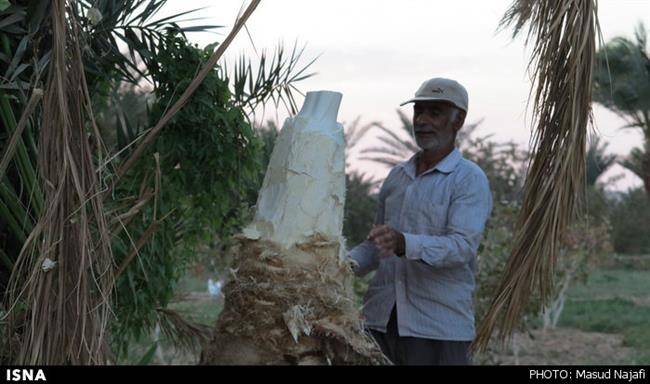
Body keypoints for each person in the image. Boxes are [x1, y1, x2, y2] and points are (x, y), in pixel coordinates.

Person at [348, 77, 493, 365]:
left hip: (437, 328)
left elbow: (462, 247)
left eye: (435, 112)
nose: (423, 121)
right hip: (380, 322)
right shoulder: (396, 178)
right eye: (419, 112)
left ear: (458, 120)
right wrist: (335, 265)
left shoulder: (468, 179)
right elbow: (377, 245)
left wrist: (405, 243)